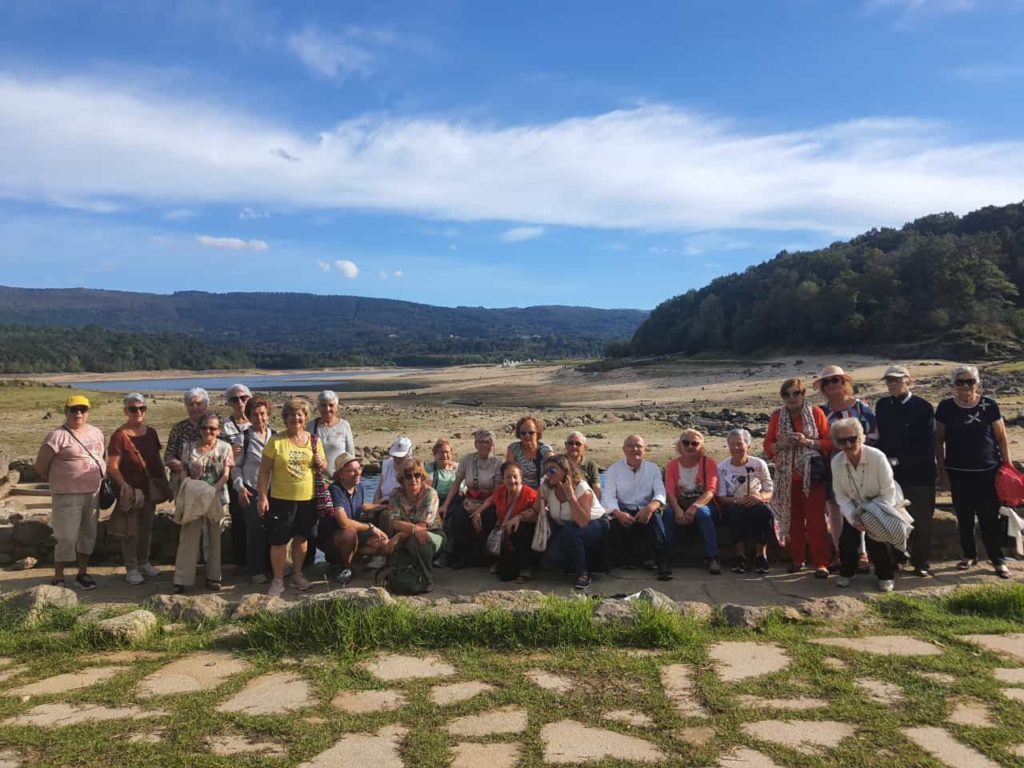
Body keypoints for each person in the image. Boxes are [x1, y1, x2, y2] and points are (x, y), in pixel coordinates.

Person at [935, 365, 1012, 579]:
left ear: (977, 383)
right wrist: (941, 471)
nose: (965, 386)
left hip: (989, 472)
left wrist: (1007, 465)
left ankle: (998, 559)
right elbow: (938, 441)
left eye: (970, 381)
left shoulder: (990, 405)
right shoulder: (945, 407)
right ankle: (969, 555)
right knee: (964, 518)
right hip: (959, 473)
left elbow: (1001, 437)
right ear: (953, 385)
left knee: (990, 518)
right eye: (960, 382)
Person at [256, 397, 327, 597]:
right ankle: (278, 580)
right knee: (278, 541)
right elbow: (264, 472)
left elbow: (324, 465)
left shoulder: (314, 440)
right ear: (285, 418)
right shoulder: (276, 441)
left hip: (308, 498)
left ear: (305, 418)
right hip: (281, 499)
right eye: (291, 415)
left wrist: (322, 463)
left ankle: (297, 574)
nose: (296, 418)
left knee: (302, 538)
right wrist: (262, 497)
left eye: (300, 415)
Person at [34, 395, 105, 590]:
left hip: (93, 493)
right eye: (74, 409)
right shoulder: (57, 436)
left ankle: (82, 573)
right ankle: (59, 576)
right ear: (66, 412)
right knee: (66, 536)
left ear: (89, 412)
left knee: (88, 535)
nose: (79, 413)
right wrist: (61, 481)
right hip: (67, 494)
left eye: (83, 409)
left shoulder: (97, 432)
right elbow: (41, 465)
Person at [765, 378, 833, 578]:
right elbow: (768, 446)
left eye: (796, 393)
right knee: (793, 520)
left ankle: (821, 563)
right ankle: (797, 559)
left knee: (815, 521)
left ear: (803, 394)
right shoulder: (777, 416)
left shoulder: (816, 414)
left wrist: (807, 442)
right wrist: (782, 445)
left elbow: (828, 443)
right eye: (787, 394)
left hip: (812, 475)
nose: (792, 398)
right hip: (787, 476)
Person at [875, 365, 936, 577]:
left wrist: (897, 460)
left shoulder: (923, 407)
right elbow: (882, 438)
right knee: (892, 516)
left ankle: (921, 562)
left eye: (897, 380)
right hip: (892, 475)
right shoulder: (882, 405)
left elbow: (927, 445)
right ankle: (898, 558)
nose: (892, 384)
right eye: (889, 380)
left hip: (920, 473)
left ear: (908, 381)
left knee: (921, 519)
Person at [815, 365, 877, 573]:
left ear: (844, 383)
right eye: (827, 382)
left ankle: (862, 552)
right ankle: (840, 552)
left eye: (836, 380)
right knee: (834, 507)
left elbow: (874, 435)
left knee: (861, 504)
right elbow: (821, 440)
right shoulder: (821, 412)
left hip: (861, 463)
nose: (831, 385)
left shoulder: (861, 408)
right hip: (833, 465)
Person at [830, 418, 901, 592]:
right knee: (847, 541)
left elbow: (888, 490)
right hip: (855, 507)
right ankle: (847, 572)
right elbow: (841, 497)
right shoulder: (836, 462)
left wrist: (872, 517)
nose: (848, 444)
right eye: (842, 441)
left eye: (852, 439)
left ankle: (885, 575)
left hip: (880, 505)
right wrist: (853, 519)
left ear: (860, 437)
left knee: (878, 541)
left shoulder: (877, 457)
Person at [106, 393, 165, 585]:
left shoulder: (152, 433)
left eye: (142, 408)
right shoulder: (119, 436)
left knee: (146, 527)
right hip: (130, 490)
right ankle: (131, 567)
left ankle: (143, 562)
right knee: (130, 531)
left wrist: (164, 484)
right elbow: (113, 466)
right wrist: (124, 486)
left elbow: (157, 460)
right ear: (126, 411)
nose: (138, 412)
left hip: (148, 489)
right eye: (133, 409)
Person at [171, 412, 232, 593]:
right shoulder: (188, 448)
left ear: (218, 430)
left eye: (212, 428)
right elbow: (183, 471)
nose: (208, 431)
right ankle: (181, 579)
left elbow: (226, 474)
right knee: (188, 537)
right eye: (204, 427)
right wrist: (189, 482)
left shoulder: (225, 447)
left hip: (215, 496)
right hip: (194, 497)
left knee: (214, 538)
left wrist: (213, 491)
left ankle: (214, 577)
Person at [603, 434, 670, 580]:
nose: (635, 449)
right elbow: (608, 497)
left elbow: (660, 493)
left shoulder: (653, 469)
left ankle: (663, 563)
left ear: (645, 449)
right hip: (623, 509)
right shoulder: (613, 470)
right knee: (611, 526)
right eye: (630, 446)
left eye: (638, 446)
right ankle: (617, 562)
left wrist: (650, 508)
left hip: (646, 509)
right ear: (624, 450)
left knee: (657, 522)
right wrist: (618, 513)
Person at [539, 453, 608, 590]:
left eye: (552, 470)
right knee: (553, 556)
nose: (548, 474)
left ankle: (583, 573)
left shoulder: (581, 487)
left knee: (571, 532)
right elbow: (536, 509)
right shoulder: (547, 487)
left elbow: (582, 521)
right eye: (546, 471)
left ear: (565, 471)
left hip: (594, 524)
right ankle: (575, 565)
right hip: (566, 527)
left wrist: (570, 496)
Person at [317, 452, 389, 584]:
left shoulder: (359, 487)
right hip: (332, 537)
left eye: (359, 468)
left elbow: (360, 506)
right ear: (340, 474)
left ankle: (354, 558)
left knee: (382, 543)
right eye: (351, 470)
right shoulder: (335, 490)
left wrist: (382, 507)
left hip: (353, 533)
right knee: (349, 533)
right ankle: (345, 567)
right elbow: (344, 523)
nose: (357, 473)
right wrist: (370, 527)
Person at [441, 429, 503, 568]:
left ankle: (482, 556)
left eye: (488, 442)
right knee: (458, 518)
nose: (484, 445)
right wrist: (445, 504)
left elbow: (497, 492)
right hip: (469, 501)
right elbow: (456, 483)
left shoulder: (498, 464)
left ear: (492, 444)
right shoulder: (467, 459)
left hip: (489, 503)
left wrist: (479, 511)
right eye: (481, 442)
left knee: (487, 519)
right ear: (475, 444)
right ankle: (459, 556)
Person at [717, 428, 775, 574]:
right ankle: (740, 555)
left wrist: (759, 497)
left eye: (739, 444)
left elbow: (771, 490)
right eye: (732, 444)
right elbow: (721, 497)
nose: (736, 447)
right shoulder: (722, 467)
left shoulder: (759, 464)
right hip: (734, 503)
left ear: (748, 446)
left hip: (756, 501)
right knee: (735, 513)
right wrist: (737, 501)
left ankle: (761, 555)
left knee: (763, 512)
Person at [664, 428, 721, 575]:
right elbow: (669, 491)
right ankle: (664, 555)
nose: (690, 446)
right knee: (668, 514)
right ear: (680, 445)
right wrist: (677, 509)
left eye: (694, 443)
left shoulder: (709, 463)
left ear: (700, 446)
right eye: (686, 442)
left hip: (703, 504)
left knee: (703, 513)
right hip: (680, 503)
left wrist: (695, 506)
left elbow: (711, 490)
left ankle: (711, 556)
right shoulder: (672, 465)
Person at [230, 396, 274, 583]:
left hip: (275, 490)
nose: (259, 418)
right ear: (248, 416)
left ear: (268, 415)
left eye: (262, 414)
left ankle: (272, 567)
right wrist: (240, 487)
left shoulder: (276, 435)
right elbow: (235, 466)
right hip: (252, 489)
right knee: (255, 531)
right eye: (255, 414)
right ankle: (255, 570)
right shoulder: (244, 438)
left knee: (273, 530)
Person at [383, 458, 444, 591]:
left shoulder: (430, 494)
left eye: (417, 475)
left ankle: (427, 578)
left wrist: (399, 535)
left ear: (422, 477)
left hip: (431, 532)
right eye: (408, 476)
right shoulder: (395, 494)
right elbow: (394, 522)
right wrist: (410, 530)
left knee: (418, 539)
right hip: (408, 531)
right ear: (402, 479)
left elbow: (424, 524)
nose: (413, 479)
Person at [220, 383, 252, 573]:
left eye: (243, 398)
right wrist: (228, 452)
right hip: (234, 480)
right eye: (235, 399)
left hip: (257, 480)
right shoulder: (224, 427)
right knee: (238, 520)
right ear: (229, 402)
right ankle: (241, 562)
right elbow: (216, 453)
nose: (240, 402)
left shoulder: (259, 421)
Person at [492, 462, 540, 581]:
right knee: (504, 576)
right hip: (506, 538)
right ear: (502, 479)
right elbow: (490, 500)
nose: (512, 481)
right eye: (508, 477)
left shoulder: (530, 494)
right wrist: (478, 511)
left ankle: (526, 566)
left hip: (525, 539)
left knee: (521, 527)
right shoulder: (500, 491)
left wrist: (519, 517)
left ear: (521, 478)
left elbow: (540, 513)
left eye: (515, 477)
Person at [309, 390, 356, 479]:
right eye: (323, 405)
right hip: (318, 480)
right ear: (318, 407)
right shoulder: (310, 426)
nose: (327, 409)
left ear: (336, 407)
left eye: (331, 405)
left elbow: (350, 453)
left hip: (340, 480)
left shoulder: (344, 425)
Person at [164, 387, 209, 475]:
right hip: (183, 478)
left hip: (211, 478)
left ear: (206, 405)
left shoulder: (215, 426)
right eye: (191, 404)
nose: (194, 407)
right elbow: (168, 457)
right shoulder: (178, 428)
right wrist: (186, 468)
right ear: (186, 406)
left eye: (199, 404)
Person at [505, 416, 553, 490]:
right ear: (519, 434)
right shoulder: (513, 449)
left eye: (531, 433)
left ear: (537, 433)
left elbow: (553, 473)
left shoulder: (546, 450)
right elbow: (509, 474)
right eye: (523, 433)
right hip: (519, 491)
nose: (527, 435)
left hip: (542, 491)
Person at [373, 436, 413, 505]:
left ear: (409, 456)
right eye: (395, 457)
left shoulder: (413, 470)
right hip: (383, 504)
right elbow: (378, 491)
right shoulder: (387, 465)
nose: (397, 460)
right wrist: (375, 505)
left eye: (401, 458)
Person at [565, 432, 601, 499]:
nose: (574, 446)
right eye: (570, 443)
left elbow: (596, 489)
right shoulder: (558, 462)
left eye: (578, 444)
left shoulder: (591, 465)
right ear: (566, 445)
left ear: (585, 447)